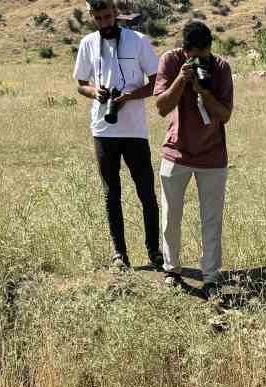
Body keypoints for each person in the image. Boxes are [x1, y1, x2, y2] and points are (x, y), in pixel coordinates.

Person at [74, 0, 161, 271]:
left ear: (116, 14)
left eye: (108, 17)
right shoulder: (88, 43)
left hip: (135, 130)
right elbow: (80, 84)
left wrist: (129, 97)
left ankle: (154, 252)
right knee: (111, 194)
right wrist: (95, 92)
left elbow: (157, 81)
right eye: (98, 18)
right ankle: (119, 254)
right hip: (103, 130)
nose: (104, 23)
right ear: (92, 18)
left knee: (146, 192)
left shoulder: (138, 41)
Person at [154, 20, 233, 291]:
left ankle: (210, 277)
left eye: (205, 55)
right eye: (194, 56)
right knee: (170, 217)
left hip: (212, 156)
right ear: (184, 50)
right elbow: (161, 106)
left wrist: (204, 93)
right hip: (176, 153)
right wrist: (181, 79)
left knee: (211, 220)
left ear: (211, 48)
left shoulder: (221, 68)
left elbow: (225, 115)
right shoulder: (170, 61)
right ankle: (171, 270)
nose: (200, 60)